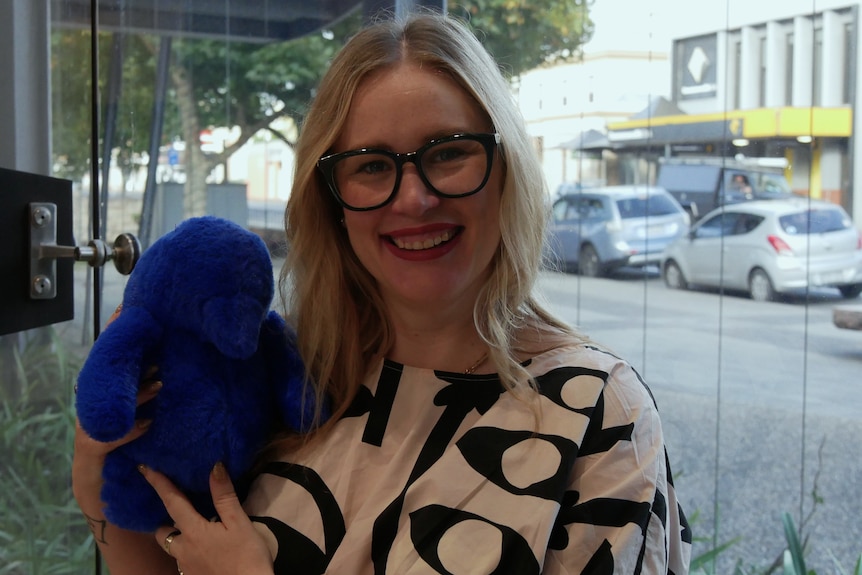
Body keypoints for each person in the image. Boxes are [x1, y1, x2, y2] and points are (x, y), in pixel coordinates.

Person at [72, 11, 691, 574]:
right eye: (371, 165)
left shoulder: (597, 411)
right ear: (331, 201)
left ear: (506, 170)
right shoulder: (285, 369)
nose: (415, 198)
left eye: (448, 153)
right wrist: (91, 481)